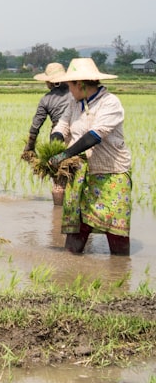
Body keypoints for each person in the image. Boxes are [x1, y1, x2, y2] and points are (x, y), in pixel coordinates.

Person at [48, 58, 131, 255]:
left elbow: (95, 135)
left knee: (115, 229)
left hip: (110, 174)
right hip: (80, 173)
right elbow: (63, 124)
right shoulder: (73, 101)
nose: (69, 91)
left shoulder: (110, 103)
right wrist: (55, 140)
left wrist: (65, 154)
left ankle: (119, 271)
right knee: (77, 228)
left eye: (70, 86)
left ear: (81, 85)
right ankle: (71, 267)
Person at [23, 62, 74, 205]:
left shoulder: (46, 99)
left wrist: (29, 148)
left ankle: (57, 212)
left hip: (57, 138)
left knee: (59, 179)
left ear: (49, 82)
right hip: (78, 136)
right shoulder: (75, 93)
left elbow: (35, 128)